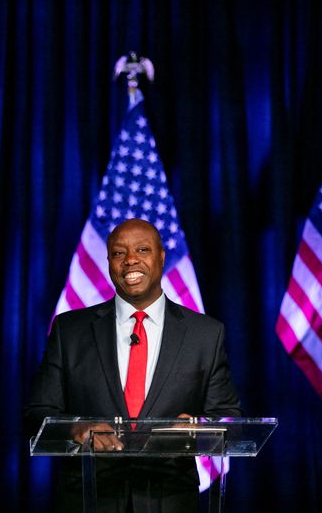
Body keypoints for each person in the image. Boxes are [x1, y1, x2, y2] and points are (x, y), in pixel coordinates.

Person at [25, 218, 242, 512]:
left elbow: (227, 417)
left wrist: (194, 428)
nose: (130, 261)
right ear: (108, 262)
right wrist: (78, 428)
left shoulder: (205, 334)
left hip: (171, 499)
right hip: (90, 497)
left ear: (161, 257)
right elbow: (38, 413)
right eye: (118, 253)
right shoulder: (70, 330)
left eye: (142, 250)